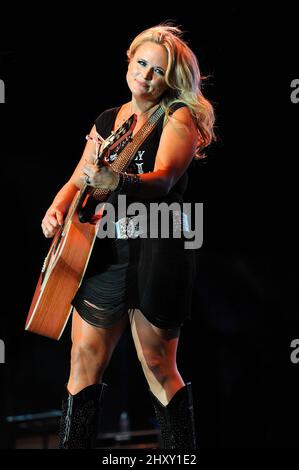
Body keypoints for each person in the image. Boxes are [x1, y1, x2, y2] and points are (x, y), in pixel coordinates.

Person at [41, 24, 215, 449]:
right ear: (129, 60)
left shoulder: (178, 116)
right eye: (141, 64)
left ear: (170, 79)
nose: (146, 75)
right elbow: (80, 176)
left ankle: (179, 455)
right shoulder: (107, 119)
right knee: (82, 362)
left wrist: (115, 180)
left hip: (158, 246)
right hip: (105, 250)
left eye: (158, 71)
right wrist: (58, 206)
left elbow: (162, 179)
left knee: (156, 364)